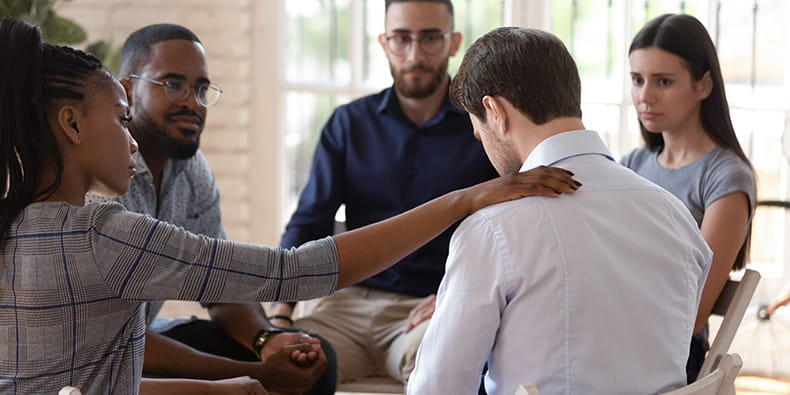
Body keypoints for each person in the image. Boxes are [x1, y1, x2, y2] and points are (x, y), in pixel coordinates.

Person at [0, 17, 580, 394]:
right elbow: (294, 270)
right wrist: (463, 199)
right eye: (119, 119)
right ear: (72, 123)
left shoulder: (21, 219)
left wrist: (242, 377)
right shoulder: (104, 232)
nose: (128, 136)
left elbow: (101, 372)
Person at [407, 27, 713, 395]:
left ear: (495, 112)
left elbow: (438, 386)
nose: (482, 143)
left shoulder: (493, 229)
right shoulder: (675, 215)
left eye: (479, 131)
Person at [85, 23, 335, 395]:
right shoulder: (97, 177)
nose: (192, 102)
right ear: (127, 91)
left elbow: (217, 283)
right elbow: (109, 341)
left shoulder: (191, 168)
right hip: (95, 362)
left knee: (312, 362)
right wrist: (254, 374)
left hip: (147, 339)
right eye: (172, 85)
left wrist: (266, 342)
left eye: (201, 89)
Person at [271, 0, 499, 384]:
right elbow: (310, 221)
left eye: (430, 38)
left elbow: (510, 228)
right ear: (383, 42)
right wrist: (280, 312)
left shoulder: (484, 129)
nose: (415, 54)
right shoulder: (349, 124)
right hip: (346, 305)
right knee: (288, 367)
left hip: (432, 307)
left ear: (454, 41)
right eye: (401, 39)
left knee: (451, 367)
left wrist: (459, 297)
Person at [620, 13, 756, 383]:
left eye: (663, 81)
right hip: (616, 332)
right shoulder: (631, 164)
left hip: (669, 352)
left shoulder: (725, 177)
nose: (645, 96)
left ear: (704, 85)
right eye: (637, 80)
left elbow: (692, 314)